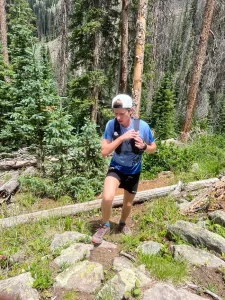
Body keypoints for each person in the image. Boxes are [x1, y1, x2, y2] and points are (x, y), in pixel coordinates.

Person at [92, 94, 157, 244]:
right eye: (116, 113)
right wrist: (122, 138)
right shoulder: (111, 125)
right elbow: (104, 151)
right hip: (116, 167)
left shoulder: (142, 126)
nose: (118, 117)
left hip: (133, 170)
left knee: (128, 204)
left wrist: (144, 146)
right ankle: (105, 225)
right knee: (107, 197)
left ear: (131, 111)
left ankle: (122, 223)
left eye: (122, 113)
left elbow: (153, 148)